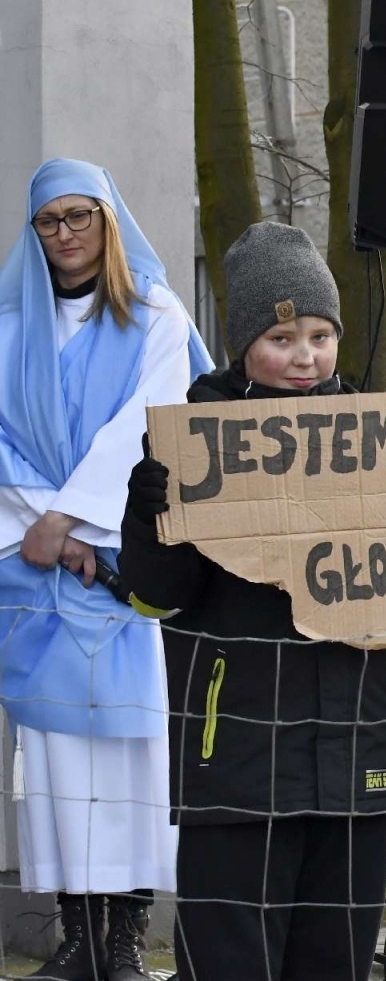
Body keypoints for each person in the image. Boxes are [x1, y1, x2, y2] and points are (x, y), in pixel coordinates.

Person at [117, 222, 386, 981]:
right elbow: (158, 596)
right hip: (235, 764)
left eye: (322, 336)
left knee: (335, 964)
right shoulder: (193, 447)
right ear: (244, 345)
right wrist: (149, 515)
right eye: (283, 337)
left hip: (358, 761)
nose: (306, 357)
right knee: (231, 962)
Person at [0, 158, 213, 981]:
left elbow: (153, 421)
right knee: (51, 762)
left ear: (108, 219)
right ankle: (77, 935)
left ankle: (122, 938)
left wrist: (76, 519)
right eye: (49, 221)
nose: (65, 235)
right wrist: (48, 530)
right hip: (38, 575)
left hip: (121, 574)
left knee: (126, 756)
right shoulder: (11, 324)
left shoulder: (155, 314)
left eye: (78, 216)